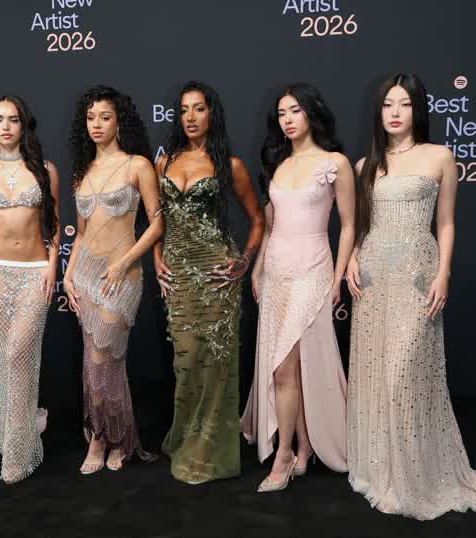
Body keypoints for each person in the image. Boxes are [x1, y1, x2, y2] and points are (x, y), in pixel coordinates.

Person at [346, 73, 476, 519]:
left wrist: (444, 273)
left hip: (418, 275)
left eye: (403, 103)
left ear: (418, 109)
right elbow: (360, 226)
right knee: (378, 375)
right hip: (373, 278)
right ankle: (383, 468)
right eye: (387, 104)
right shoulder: (364, 165)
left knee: (405, 374)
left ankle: (417, 473)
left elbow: (447, 222)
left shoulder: (440, 156)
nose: (395, 112)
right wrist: (351, 258)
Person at [241, 83, 354, 492]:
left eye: (295, 111)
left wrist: (338, 276)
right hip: (275, 271)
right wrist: (257, 269)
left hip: (313, 268)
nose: (288, 120)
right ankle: (303, 447)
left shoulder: (335, 163)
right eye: (282, 113)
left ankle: (284, 455)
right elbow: (272, 227)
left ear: (312, 113)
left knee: (284, 366)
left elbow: (350, 225)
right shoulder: (278, 164)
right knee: (292, 366)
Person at [155, 81, 264, 484]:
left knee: (216, 365)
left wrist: (245, 261)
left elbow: (258, 219)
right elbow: (156, 220)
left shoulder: (229, 165)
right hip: (179, 277)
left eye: (198, 109)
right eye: (184, 109)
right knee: (186, 363)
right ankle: (185, 436)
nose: (190, 117)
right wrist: (156, 257)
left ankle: (207, 452)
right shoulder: (163, 163)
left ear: (211, 114)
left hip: (218, 276)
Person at [63, 86, 162, 474]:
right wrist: (68, 275)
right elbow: (80, 233)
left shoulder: (137, 165)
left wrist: (123, 263)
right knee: (95, 362)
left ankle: (114, 438)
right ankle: (102, 437)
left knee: (104, 356)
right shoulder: (82, 172)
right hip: (87, 275)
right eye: (91, 118)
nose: (97, 125)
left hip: (123, 275)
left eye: (105, 117)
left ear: (120, 121)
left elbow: (157, 224)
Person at [0, 95, 59, 484]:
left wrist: (52, 267)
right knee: (1, 363)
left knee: (20, 354)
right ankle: (14, 442)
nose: (5, 126)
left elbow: (53, 227)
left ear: (24, 125)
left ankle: (18, 456)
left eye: (13, 119)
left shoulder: (45, 170)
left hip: (34, 273)